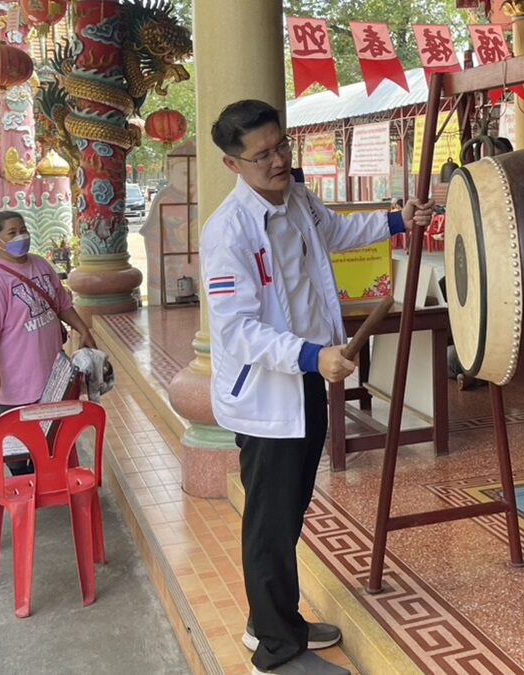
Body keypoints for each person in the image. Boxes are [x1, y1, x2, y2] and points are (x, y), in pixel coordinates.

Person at [202, 100, 432, 675]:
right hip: (267, 394)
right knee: (270, 519)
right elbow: (237, 331)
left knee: (291, 508)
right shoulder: (227, 232)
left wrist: (399, 220)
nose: (278, 160)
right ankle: (276, 650)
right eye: (262, 155)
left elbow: (338, 231)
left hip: (308, 379)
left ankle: (273, 620)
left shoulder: (300, 200)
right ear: (233, 164)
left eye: (281, 146)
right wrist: (311, 354)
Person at [0, 211, 97, 472]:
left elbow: (62, 304)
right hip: (18, 379)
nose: (20, 237)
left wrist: (83, 329)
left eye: (23, 230)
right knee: (18, 446)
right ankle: (25, 486)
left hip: (51, 373)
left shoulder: (40, 264)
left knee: (50, 440)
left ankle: (46, 480)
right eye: (12, 233)